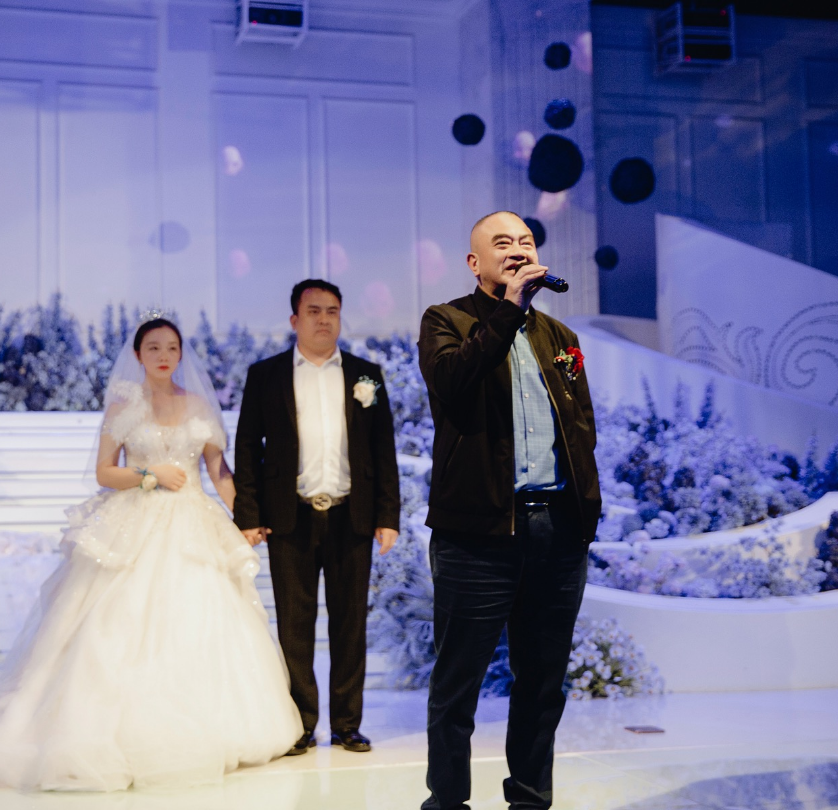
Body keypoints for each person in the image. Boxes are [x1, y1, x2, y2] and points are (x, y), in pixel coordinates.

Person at [0, 316, 302, 791]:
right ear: (137, 355)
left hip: (193, 522)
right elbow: (105, 472)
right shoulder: (124, 406)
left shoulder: (198, 405)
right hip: (136, 519)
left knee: (200, 618)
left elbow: (219, 471)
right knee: (111, 624)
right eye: (154, 348)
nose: (164, 356)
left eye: (171, 348)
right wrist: (150, 475)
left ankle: (210, 728)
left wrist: (245, 517)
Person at [417, 212, 602, 810]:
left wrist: (585, 514)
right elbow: (453, 382)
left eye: (526, 241)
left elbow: (581, 426)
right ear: (475, 263)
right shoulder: (446, 320)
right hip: (478, 534)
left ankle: (529, 799)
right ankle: (447, 802)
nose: (519, 250)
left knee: (543, 684)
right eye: (503, 243)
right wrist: (509, 310)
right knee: (457, 686)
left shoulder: (559, 336)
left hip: (557, 532)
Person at [233, 279, 400, 755]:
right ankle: (300, 724)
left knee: (351, 625)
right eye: (313, 311)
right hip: (291, 517)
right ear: (295, 319)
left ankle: (347, 724)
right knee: (295, 626)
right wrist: (249, 515)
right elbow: (247, 447)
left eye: (332, 311)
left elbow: (383, 448)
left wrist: (388, 515)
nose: (324, 319)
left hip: (353, 515)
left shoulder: (367, 375)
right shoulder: (265, 375)